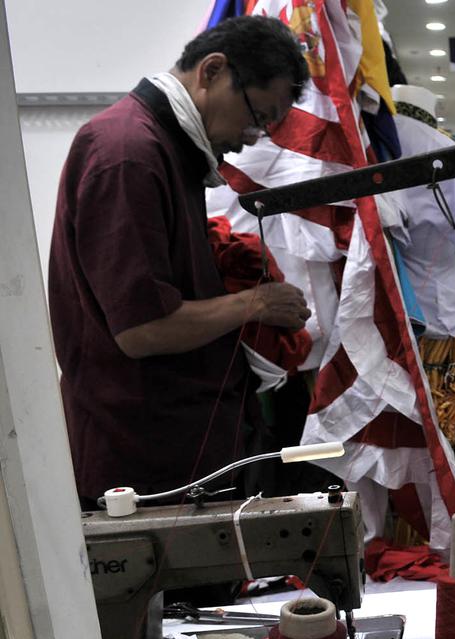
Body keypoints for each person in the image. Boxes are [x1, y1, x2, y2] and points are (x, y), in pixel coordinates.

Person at [47, 17, 313, 508]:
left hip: (175, 448)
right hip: (141, 466)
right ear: (212, 71)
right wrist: (255, 303)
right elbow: (142, 330)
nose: (252, 137)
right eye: (257, 115)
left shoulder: (167, 150)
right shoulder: (129, 154)